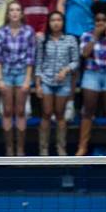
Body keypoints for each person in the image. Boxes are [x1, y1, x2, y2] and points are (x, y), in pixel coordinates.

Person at [76, 0, 106, 156]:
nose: (101, 23)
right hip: (91, 74)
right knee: (88, 111)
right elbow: (84, 54)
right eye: (98, 20)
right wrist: (95, 36)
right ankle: (82, 146)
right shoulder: (86, 35)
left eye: (104, 20)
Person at [35, 11, 78, 157]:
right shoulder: (43, 40)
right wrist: (38, 84)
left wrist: (66, 70)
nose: (56, 23)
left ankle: (61, 147)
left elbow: (76, 62)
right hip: (46, 81)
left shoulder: (70, 40)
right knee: (46, 113)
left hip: (63, 82)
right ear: (49, 23)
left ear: (63, 22)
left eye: (59, 19)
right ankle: (43, 149)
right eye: (53, 20)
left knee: (60, 115)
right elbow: (38, 62)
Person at [0, 2, 35, 156]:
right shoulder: (1, 32)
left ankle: (20, 149)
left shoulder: (28, 31)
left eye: (18, 10)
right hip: (5, 73)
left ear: (22, 14)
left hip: (21, 74)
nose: (14, 13)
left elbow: (31, 58)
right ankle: (9, 149)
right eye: (11, 10)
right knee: (7, 111)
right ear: (7, 14)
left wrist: (27, 80)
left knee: (20, 111)